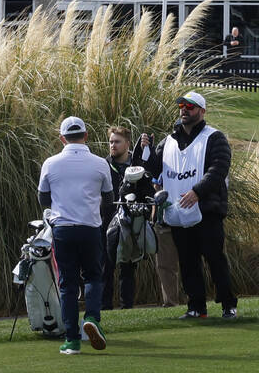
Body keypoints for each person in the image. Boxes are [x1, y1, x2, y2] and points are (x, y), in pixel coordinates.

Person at [133, 90, 238, 320]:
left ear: (202, 111)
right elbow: (153, 171)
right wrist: (145, 151)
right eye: (181, 105)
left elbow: (219, 169)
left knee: (215, 259)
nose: (184, 109)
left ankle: (228, 304)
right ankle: (196, 307)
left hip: (207, 210)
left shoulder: (215, 137)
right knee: (188, 262)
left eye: (190, 106)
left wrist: (197, 192)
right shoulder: (167, 141)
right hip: (177, 212)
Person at [37, 116, 114, 355]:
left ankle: (71, 340)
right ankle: (92, 317)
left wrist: (53, 212)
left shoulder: (51, 163)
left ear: (62, 138)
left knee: (67, 284)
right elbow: (109, 199)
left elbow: (43, 197)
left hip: (62, 229)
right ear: (86, 135)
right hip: (90, 228)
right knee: (93, 276)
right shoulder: (101, 163)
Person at [102, 125, 138, 310]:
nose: (112, 145)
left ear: (127, 143)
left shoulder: (137, 165)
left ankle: (126, 308)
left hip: (130, 222)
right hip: (105, 222)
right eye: (111, 142)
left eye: (117, 142)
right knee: (105, 267)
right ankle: (104, 309)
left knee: (127, 267)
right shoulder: (102, 164)